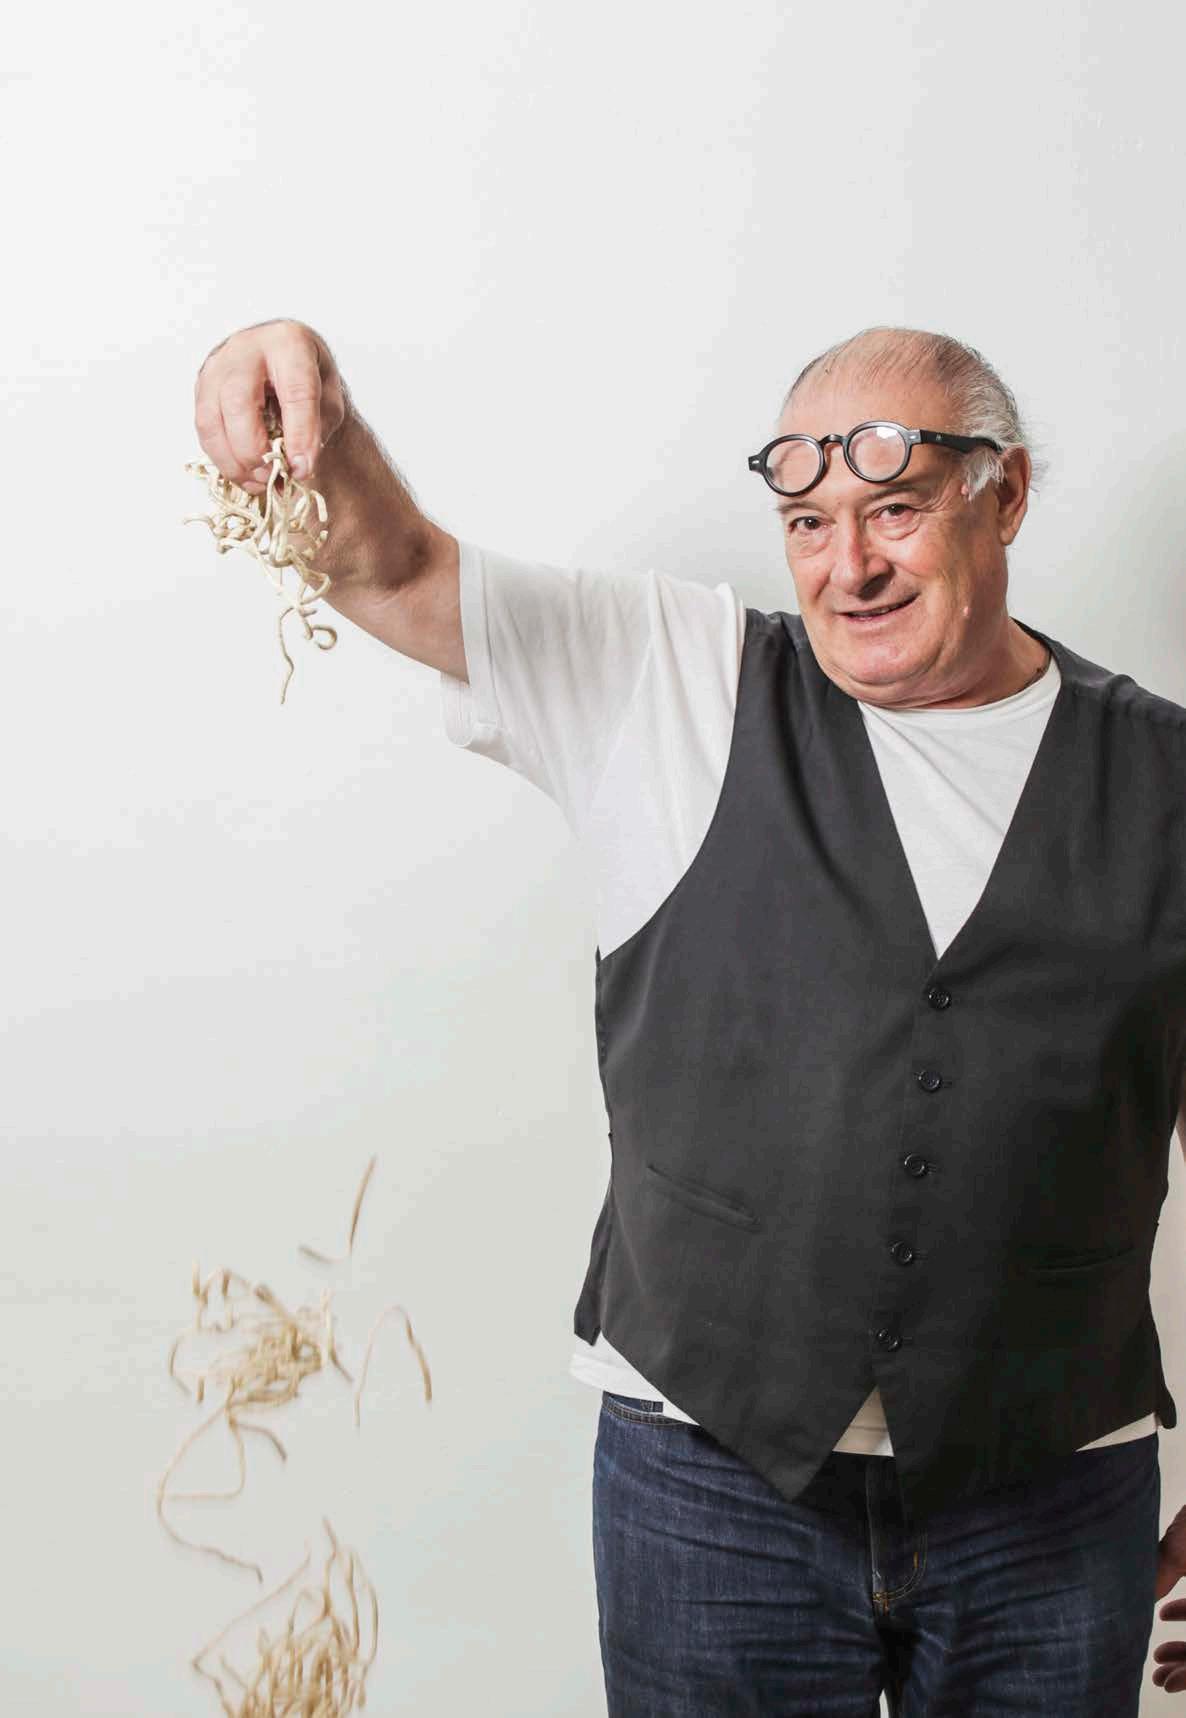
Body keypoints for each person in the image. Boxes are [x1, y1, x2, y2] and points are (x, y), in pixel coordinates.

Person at [193, 320, 1186, 1714]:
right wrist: (300, 398)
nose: (848, 566)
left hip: (1052, 1493)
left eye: (896, 510)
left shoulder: (1164, 779)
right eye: (808, 523)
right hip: (711, 1486)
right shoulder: (672, 676)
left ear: (1004, 495)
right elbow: (394, 564)